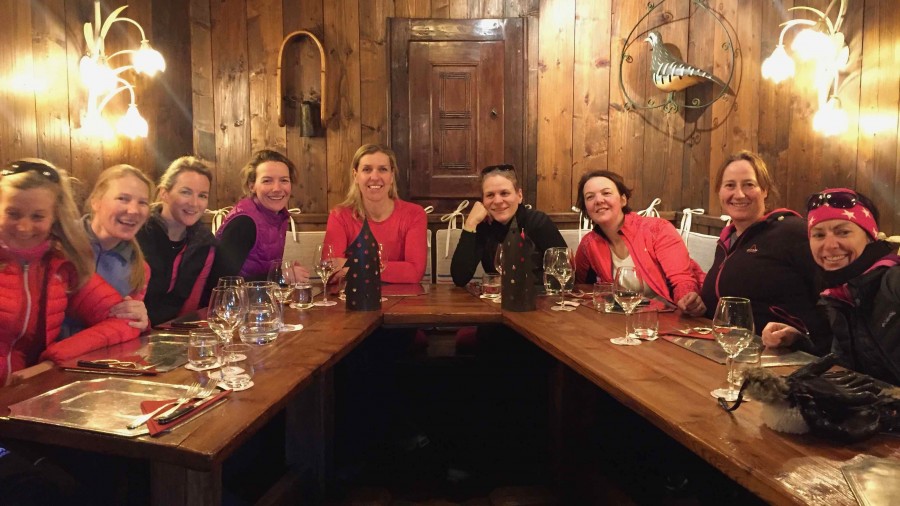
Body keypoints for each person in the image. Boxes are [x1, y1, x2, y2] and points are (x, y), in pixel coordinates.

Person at [0, 159, 140, 386]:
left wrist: (52, 360)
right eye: (13, 214)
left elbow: (127, 321)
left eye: (37, 217)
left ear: (55, 217)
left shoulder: (60, 265)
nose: (24, 227)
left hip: (24, 394)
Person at [763, 189, 900, 384]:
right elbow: (847, 365)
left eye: (843, 232)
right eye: (819, 235)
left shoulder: (892, 281)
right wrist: (799, 341)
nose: (830, 245)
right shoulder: (840, 294)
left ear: (870, 236)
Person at [700, 151, 831, 353]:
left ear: (765, 190)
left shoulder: (793, 231)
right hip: (730, 352)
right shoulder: (727, 240)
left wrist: (800, 335)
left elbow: (831, 299)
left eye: (749, 184)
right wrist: (698, 302)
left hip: (784, 357)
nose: (739, 194)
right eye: (730, 185)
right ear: (719, 192)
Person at [574, 170, 706, 315]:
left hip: (668, 315)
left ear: (623, 200)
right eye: (590, 197)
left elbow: (682, 279)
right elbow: (578, 287)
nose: (598, 200)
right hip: (624, 317)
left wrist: (686, 299)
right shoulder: (588, 244)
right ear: (585, 207)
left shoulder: (657, 229)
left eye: (606, 193)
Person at [324, 144, 427, 283]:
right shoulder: (339, 215)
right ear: (355, 175)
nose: (375, 177)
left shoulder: (414, 214)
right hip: (353, 296)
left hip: (402, 296)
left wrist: (352, 266)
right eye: (367, 169)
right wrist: (387, 269)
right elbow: (331, 270)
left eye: (383, 169)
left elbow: (414, 272)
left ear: (392, 176)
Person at [451, 164, 566, 286]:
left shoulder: (538, 222)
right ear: (483, 201)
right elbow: (460, 278)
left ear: (519, 196)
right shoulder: (482, 226)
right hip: (497, 297)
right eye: (490, 195)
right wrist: (470, 223)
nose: (497, 201)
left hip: (537, 297)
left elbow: (564, 273)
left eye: (504, 193)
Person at [137, 156, 216, 326]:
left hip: (172, 331)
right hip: (133, 328)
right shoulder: (139, 232)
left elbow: (190, 306)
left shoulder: (204, 242)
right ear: (164, 193)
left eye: (202, 195)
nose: (194, 203)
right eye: (186, 192)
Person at [214, 149, 309, 281]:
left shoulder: (277, 217)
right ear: (252, 186)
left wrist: (284, 275)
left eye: (284, 180)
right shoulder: (243, 222)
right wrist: (282, 277)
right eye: (267, 181)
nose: (277, 188)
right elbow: (223, 284)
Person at [81, 164, 153, 332]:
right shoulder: (61, 244)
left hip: (102, 346)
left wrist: (142, 321)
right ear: (96, 201)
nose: (134, 210)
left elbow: (128, 325)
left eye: (143, 202)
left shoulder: (139, 268)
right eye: (123, 199)